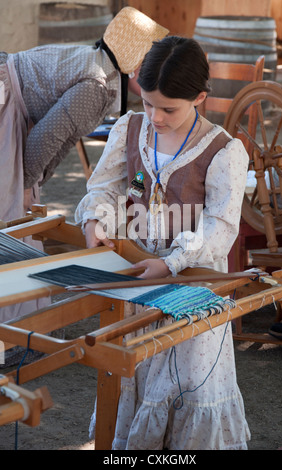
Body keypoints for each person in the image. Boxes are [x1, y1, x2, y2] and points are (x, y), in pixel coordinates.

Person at [75, 36, 250, 450]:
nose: (154, 116)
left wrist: (171, 263)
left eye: (168, 108)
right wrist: (97, 221)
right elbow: (110, 188)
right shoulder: (131, 129)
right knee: (133, 371)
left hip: (191, 285)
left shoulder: (223, 151)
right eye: (147, 102)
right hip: (136, 279)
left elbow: (220, 228)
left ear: (200, 98)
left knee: (185, 382)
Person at [0, 7, 168, 325]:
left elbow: (62, 138)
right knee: (8, 215)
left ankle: (17, 321)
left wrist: (33, 179)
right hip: (3, 99)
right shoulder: (96, 84)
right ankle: (11, 328)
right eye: (150, 66)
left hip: (9, 95)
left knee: (14, 211)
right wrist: (24, 185)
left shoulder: (95, 65)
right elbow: (46, 138)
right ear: (135, 66)